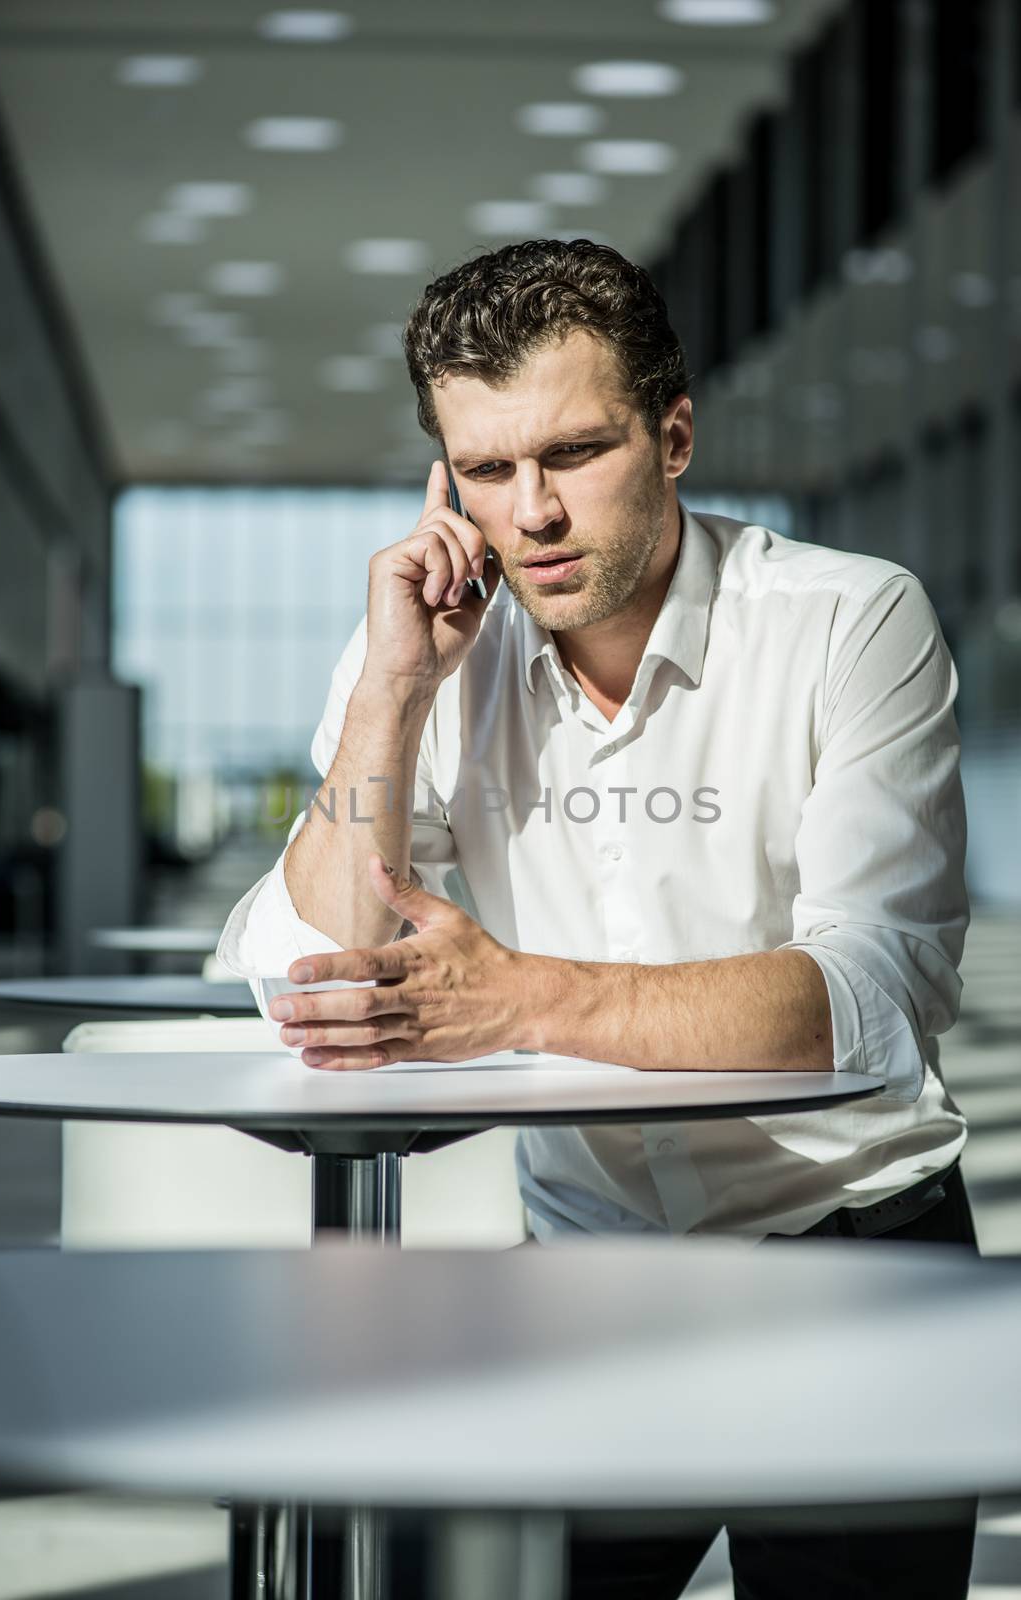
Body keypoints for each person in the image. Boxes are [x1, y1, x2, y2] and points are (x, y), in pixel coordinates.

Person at [217, 239, 978, 1598]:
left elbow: (870, 1003)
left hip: (854, 1261)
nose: (535, 513)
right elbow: (310, 971)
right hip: (588, 1280)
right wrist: (396, 692)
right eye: (490, 471)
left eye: (574, 454)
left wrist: (520, 1002)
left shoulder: (852, 621)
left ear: (674, 435)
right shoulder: (422, 649)